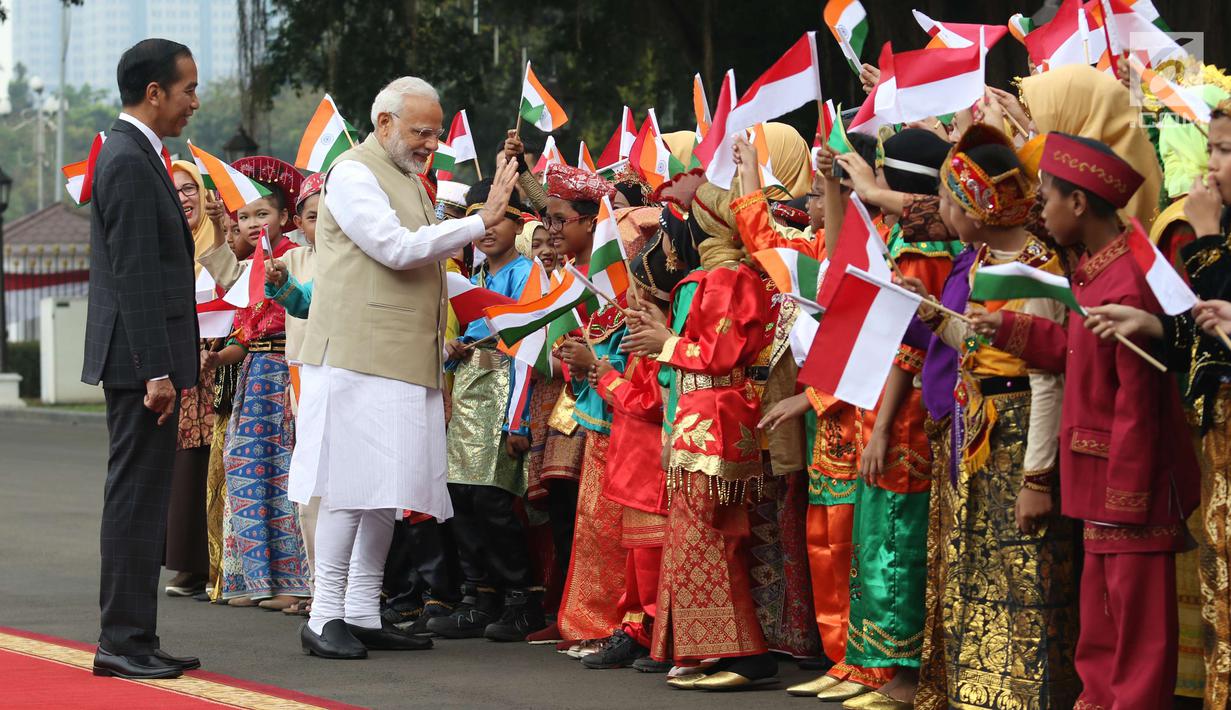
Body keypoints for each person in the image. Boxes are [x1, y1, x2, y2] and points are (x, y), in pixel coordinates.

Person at [288, 76, 521, 659]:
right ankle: (324, 616)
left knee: (385, 491)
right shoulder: (354, 173)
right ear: (384, 123)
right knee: (348, 486)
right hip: (356, 354)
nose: (430, 143)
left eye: (436, 133)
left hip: (400, 356)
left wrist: (501, 309)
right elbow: (395, 248)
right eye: (421, 132)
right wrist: (480, 221)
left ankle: (363, 611)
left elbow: (425, 261)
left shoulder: (407, 178)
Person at [976, 131, 1200, 709]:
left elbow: (1140, 401)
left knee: (1137, 635)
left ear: (1078, 204)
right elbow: (1075, 350)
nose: (1040, 209)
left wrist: (1128, 496)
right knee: (1100, 626)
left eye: (1048, 196)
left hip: (1131, 485)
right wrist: (1003, 328)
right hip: (1098, 481)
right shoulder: (1096, 270)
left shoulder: (1129, 279)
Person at [915, 125, 1080, 709]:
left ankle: (1026, 696)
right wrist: (937, 318)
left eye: (947, 202)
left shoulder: (1037, 269)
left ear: (976, 210)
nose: (941, 212)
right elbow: (982, 346)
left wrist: (1037, 479)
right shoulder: (983, 258)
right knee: (978, 571)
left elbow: (1044, 377)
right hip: (978, 428)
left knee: (1025, 571)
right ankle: (977, 694)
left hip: (1016, 434)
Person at [82, 37, 202, 680]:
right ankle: (119, 642)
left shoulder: (138, 152)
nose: (194, 102)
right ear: (153, 92)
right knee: (134, 500)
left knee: (146, 500)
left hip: (144, 359)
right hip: (138, 365)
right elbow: (133, 273)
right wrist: (156, 367)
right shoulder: (127, 158)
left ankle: (138, 637)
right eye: (186, 89)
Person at [430, 180, 542, 642]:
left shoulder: (525, 274)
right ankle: (480, 597)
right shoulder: (473, 280)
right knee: (463, 498)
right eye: (481, 220)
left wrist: (519, 420)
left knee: (495, 502)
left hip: (502, 392)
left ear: (519, 224)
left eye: (498, 218)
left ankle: (523, 598)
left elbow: (528, 347)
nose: (488, 229)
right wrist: (452, 349)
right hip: (472, 394)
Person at [163, 159, 218, 598]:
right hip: (183, 367)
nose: (183, 197)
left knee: (208, 460)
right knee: (184, 464)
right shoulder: (173, 244)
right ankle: (187, 561)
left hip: (217, 365)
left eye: (189, 189)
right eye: (175, 190)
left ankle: (208, 563)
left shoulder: (219, 242)